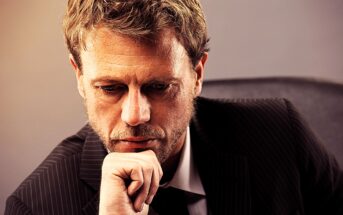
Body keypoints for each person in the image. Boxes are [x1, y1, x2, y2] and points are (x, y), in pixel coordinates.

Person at [5, 0, 343, 214]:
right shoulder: (36, 205)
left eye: (158, 87)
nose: (135, 115)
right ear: (79, 77)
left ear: (197, 75)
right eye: (110, 88)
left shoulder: (280, 133)